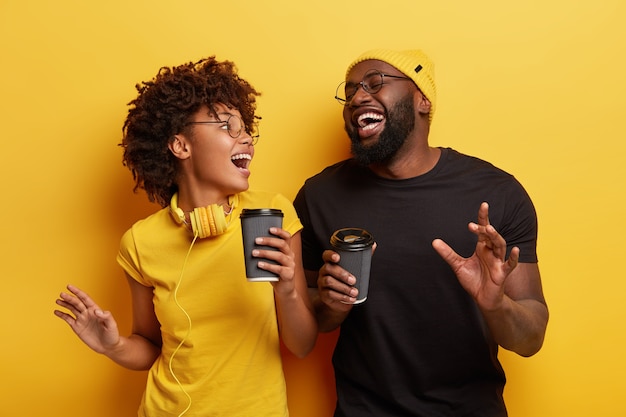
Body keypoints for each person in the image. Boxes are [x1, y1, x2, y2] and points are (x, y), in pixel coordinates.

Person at [54, 56, 317, 417]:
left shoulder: (272, 214)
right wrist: (113, 346)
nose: (245, 138)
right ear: (180, 146)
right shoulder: (140, 242)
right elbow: (149, 346)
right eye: (227, 126)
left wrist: (286, 290)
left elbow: (302, 346)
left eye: (245, 129)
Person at [293, 48, 549, 416]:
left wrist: (497, 306)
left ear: (423, 100)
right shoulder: (319, 196)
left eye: (375, 82)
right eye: (349, 92)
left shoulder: (498, 193)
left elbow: (531, 338)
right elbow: (306, 320)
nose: (357, 98)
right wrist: (332, 306)